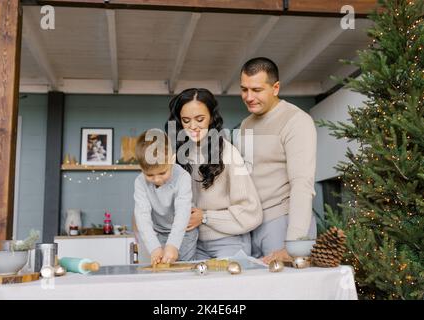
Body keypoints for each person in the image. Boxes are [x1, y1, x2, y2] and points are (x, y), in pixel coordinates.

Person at [238, 57, 317, 264]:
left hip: (284, 224)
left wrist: (295, 245)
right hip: (252, 226)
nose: (248, 97)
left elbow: (302, 184)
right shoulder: (245, 125)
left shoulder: (296, 121)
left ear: (275, 88)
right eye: (244, 89)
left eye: (256, 90)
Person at [167, 88, 263, 259]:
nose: (193, 127)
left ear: (211, 117)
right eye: (186, 120)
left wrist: (205, 217)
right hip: (192, 242)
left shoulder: (229, 153)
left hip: (229, 241)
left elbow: (251, 212)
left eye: (200, 119)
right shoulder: (177, 158)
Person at [133, 128, 198, 265]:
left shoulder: (182, 177)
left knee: (184, 271)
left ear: (172, 160)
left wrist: (173, 245)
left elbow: (182, 213)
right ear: (141, 168)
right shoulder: (139, 182)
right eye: (150, 175)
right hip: (157, 234)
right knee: (159, 272)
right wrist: (154, 248)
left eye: (162, 173)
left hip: (184, 232)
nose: (157, 179)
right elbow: (142, 217)